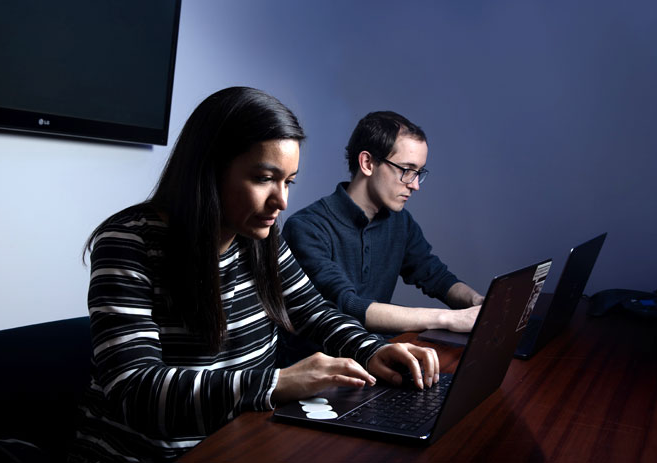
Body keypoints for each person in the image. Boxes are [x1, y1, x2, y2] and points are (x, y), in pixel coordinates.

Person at [69, 89, 441, 463]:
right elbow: (136, 393)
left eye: (288, 182)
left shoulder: (260, 239)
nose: (281, 201)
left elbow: (314, 313)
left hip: (242, 443)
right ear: (209, 169)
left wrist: (372, 349)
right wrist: (278, 382)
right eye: (265, 178)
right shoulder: (128, 242)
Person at [281, 111, 483, 361]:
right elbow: (347, 306)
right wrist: (449, 318)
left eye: (419, 172)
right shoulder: (306, 227)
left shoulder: (401, 222)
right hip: (319, 373)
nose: (415, 184)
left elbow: (435, 275)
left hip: (377, 360)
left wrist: (478, 303)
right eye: (407, 170)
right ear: (367, 163)